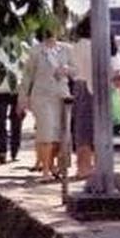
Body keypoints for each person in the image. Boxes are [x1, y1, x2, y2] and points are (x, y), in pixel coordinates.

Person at [71, 16, 120, 179]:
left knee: (83, 130)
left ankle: (83, 167)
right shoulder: (108, 47)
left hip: (82, 88)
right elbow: (119, 71)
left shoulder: (79, 45)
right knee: (102, 130)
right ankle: (101, 167)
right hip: (104, 90)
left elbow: (74, 68)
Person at [18, 28, 77, 181]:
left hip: (61, 95)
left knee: (60, 133)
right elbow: (27, 77)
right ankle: (44, 169)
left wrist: (67, 70)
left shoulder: (67, 49)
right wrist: (23, 99)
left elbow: (77, 70)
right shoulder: (35, 52)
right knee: (45, 131)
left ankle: (55, 165)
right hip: (41, 96)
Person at [0, 62, 22, 164]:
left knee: (16, 119)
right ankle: (2, 151)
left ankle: (14, 149)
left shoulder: (23, 47)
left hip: (17, 88)